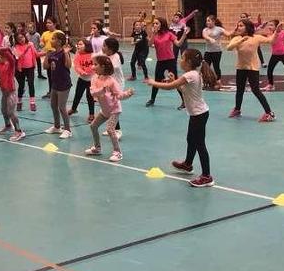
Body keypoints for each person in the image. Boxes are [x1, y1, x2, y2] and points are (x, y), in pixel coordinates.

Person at [145, 49, 216, 187]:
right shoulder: (192, 74)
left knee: (200, 144)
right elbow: (182, 90)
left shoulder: (190, 75)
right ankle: (188, 164)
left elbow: (169, 87)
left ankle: (207, 176)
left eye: (182, 58)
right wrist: (174, 80)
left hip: (199, 114)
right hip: (197, 113)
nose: (179, 60)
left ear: (189, 62)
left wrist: (153, 82)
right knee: (191, 139)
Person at [84, 55, 133, 162]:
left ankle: (118, 152)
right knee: (93, 126)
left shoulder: (111, 81)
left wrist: (127, 94)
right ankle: (97, 148)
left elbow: (119, 96)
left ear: (103, 67)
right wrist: (102, 90)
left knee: (110, 130)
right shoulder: (94, 78)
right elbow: (92, 92)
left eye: (95, 64)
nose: (93, 66)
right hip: (104, 110)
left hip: (114, 110)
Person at [226, 19, 275, 122]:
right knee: (239, 90)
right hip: (241, 68)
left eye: (241, 26)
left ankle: (269, 113)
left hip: (252, 69)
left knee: (255, 90)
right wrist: (241, 41)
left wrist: (277, 32)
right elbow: (229, 48)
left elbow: (270, 40)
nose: (239, 27)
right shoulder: (237, 38)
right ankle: (237, 109)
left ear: (247, 27)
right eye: (238, 26)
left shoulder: (256, 38)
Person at [146, 17, 188, 108]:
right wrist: (153, 33)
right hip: (160, 61)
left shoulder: (169, 34)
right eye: (154, 24)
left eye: (157, 23)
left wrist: (184, 35)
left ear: (162, 24)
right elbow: (149, 44)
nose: (155, 25)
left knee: (175, 81)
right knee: (156, 81)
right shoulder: (155, 35)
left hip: (170, 60)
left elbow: (178, 44)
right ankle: (152, 99)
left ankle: (184, 101)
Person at [0, 47, 26, 142]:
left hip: (11, 93)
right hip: (4, 93)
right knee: (3, 110)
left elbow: (12, 59)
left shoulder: (10, 65)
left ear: (5, 57)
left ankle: (19, 131)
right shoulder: (0, 66)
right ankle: (8, 125)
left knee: (11, 112)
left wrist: (6, 50)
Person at [43, 32, 73, 139]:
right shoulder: (52, 54)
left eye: (53, 38)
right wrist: (47, 55)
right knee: (53, 105)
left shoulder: (64, 53)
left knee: (62, 107)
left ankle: (68, 130)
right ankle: (56, 127)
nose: (51, 40)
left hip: (64, 84)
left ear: (59, 41)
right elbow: (45, 66)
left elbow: (68, 66)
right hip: (54, 84)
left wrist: (65, 53)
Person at [69, 39, 95, 122]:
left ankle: (91, 114)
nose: (78, 46)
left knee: (89, 96)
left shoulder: (93, 55)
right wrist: (81, 72)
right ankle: (73, 109)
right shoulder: (78, 55)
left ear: (86, 46)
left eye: (80, 44)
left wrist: (90, 71)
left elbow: (96, 65)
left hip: (92, 80)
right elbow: (76, 65)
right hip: (82, 79)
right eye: (78, 44)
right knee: (78, 94)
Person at [40, 17, 65, 98]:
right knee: (50, 75)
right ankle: (51, 91)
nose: (47, 24)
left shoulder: (59, 32)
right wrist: (41, 44)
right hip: (49, 56)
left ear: (54, 24)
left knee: (58, 74)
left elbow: (64, 43)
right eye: (47, 22)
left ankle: (60, 91)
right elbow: (42, 42)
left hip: (58, 56)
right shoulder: (45, 33)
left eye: (50, 22)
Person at [201, 15, 227, 83]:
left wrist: (235, 30)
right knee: (205, 66)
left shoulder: (219, 29)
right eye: (207, 21)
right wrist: (210, 39)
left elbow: (228, 34)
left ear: (214, 21)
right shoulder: (205, 30)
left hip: (217, 51)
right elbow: (205, 36)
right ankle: (205, 80)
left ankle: (218, 79)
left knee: (216, 66)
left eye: (209, 21)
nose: (207, 22)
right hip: (208, 51)